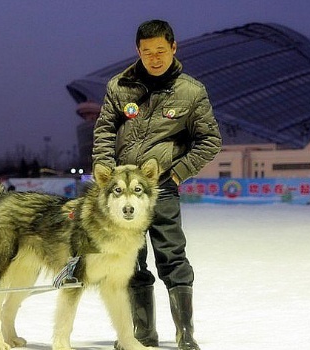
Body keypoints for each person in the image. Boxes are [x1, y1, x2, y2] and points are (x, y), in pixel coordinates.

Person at [92, 19, 222, 350]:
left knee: (172, 256)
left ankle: (185, 332)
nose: (154, 57)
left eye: (160, 50)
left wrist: (178, 173)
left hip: (161, 190)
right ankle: (142, 332)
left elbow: (209, 140)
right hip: (123, 196)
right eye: (147, 51)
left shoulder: (191, 91)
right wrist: (105, 172)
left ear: (173, 48)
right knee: (130, 261)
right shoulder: (119, 86)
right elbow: (105, 131)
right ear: (138, 51)